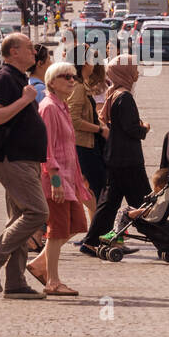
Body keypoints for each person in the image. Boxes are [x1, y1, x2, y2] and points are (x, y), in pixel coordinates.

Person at [0, 34, 48, 300]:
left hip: (24, 159)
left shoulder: (18, 78)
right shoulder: (4, 78)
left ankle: (16, 283)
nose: (34, 52)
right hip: (12, 159)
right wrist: (24, 99)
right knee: (38, 213)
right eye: (29, 48)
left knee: (20, 219)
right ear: (14, 52)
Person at [24, 61, 90, 296]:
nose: (71, 80)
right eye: (65, 77)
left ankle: (40, 264)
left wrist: (79, 176)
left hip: (68, 179)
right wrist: (56, 182)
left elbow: (68, 148)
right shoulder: (49, 107)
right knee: (58, 229)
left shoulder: (62, 106)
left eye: (73, 77)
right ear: (51, 82)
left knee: (77, 225)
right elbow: (47, 149)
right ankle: (52, 280)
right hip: (55, 180)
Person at [81, 54, 152, 257]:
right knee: (144, 202)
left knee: (109, 203)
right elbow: (131, 129)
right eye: (134, 69)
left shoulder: (113, 94)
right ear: (125, 72)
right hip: (128, 158)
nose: (137, 73)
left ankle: (92, 241)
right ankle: (165, 240)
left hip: (115, 156)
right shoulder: (125, 96)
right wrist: (144, 128)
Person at [68, 59, 108, 228]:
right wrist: (99, 130)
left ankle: (97, 231)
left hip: (89, 144)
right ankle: (99, 233)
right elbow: (73, 119)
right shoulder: (77, 87)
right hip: (84, 145)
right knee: (97, 191)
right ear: (84, 63)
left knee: (93, 190)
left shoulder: (82, 85)